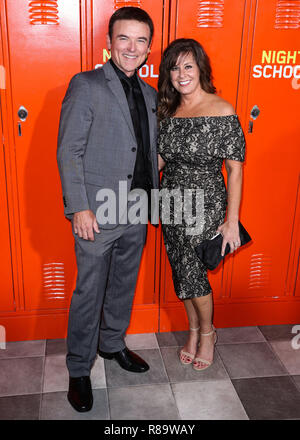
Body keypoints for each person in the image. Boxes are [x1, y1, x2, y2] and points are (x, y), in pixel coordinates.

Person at [57, 7, 158, 412]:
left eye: (140, 41)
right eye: (124, 39)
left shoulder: (150, 95)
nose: (132, 48)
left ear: (149, 49)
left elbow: (146, 151)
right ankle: (79, 368)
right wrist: (79, 208)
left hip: (136, 208)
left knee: (122, 285)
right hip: (97, 212)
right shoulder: (87, 85)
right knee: (89, 292)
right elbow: (69, 151)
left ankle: (112, 344)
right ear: (110, 42)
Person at [157, 39, 245, 371]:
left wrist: (231, 220)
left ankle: (208, 333)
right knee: (182, 273)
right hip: (170, 204)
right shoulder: (168, 111)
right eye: (175, 67)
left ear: (200, 69)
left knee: (194, 276)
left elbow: (234, 169)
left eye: (188, 66)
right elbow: (161, 159)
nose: (181, 74)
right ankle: (192, 331)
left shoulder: (222, 110)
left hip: (205, 204)